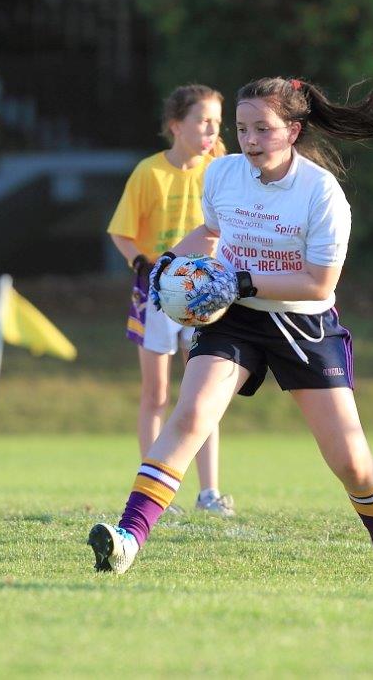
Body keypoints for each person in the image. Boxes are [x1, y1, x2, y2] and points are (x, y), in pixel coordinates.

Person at [88, 68, 373, 576]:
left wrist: (242, 281)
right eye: (242, 128)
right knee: (191, 416)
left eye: (263, 129)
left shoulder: (322, 194)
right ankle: (127, 538)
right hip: (234, 320)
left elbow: (319, 285)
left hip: (304, 325)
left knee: (350, 461)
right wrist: (169, 263)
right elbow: (211, 233)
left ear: (293, 131)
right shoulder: (222, 174)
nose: (250, 140)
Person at [107, 84, 234, 516]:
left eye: (217, 122)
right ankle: (154, 490)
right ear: (176, 125)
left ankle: (210, 491)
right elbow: (121, 233)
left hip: (204, 294)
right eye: (203, 120)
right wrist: (141, 264)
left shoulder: (221, 168)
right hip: (157, 292)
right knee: (157, 394)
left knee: (203, 396)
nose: (212, 130)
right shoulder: (149, 172)